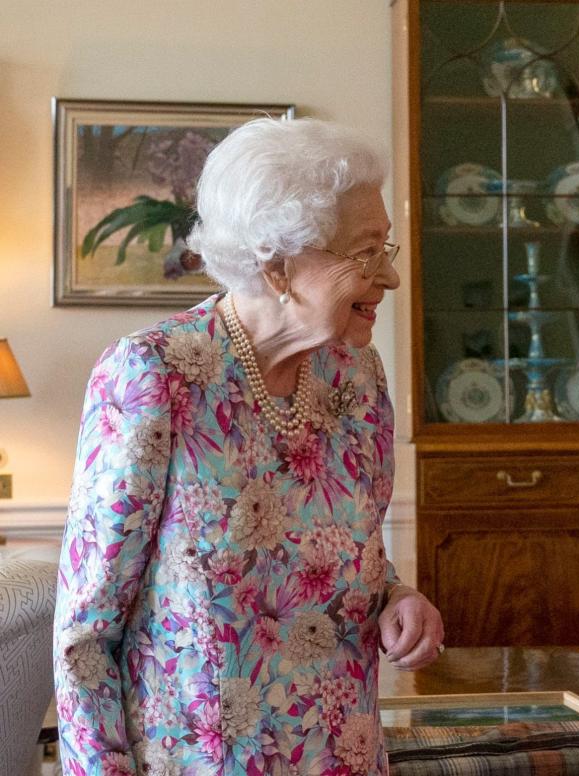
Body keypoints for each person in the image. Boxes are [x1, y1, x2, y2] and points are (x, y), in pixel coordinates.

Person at [53, 118, 445, 775]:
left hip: (339, 757)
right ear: (279, 263)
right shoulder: (154, 376)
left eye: (388, 248)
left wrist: (399, 598)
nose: (391, 277)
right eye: (366, 251)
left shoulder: (356, 376)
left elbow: (356, 555)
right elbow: (85, 639)